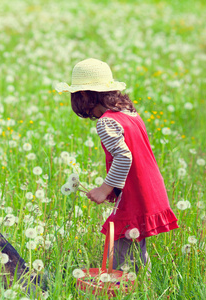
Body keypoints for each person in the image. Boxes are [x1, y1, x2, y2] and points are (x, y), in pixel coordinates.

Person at [55, 58, 179, 272]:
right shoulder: (129, 114)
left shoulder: (105, 122)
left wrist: (105, 188)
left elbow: (124, 157)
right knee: (133, 237)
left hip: (136, 189)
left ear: (83, 96)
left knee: (120, 241)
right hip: (149, 185)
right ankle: (144, 283)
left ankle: (122, 285)